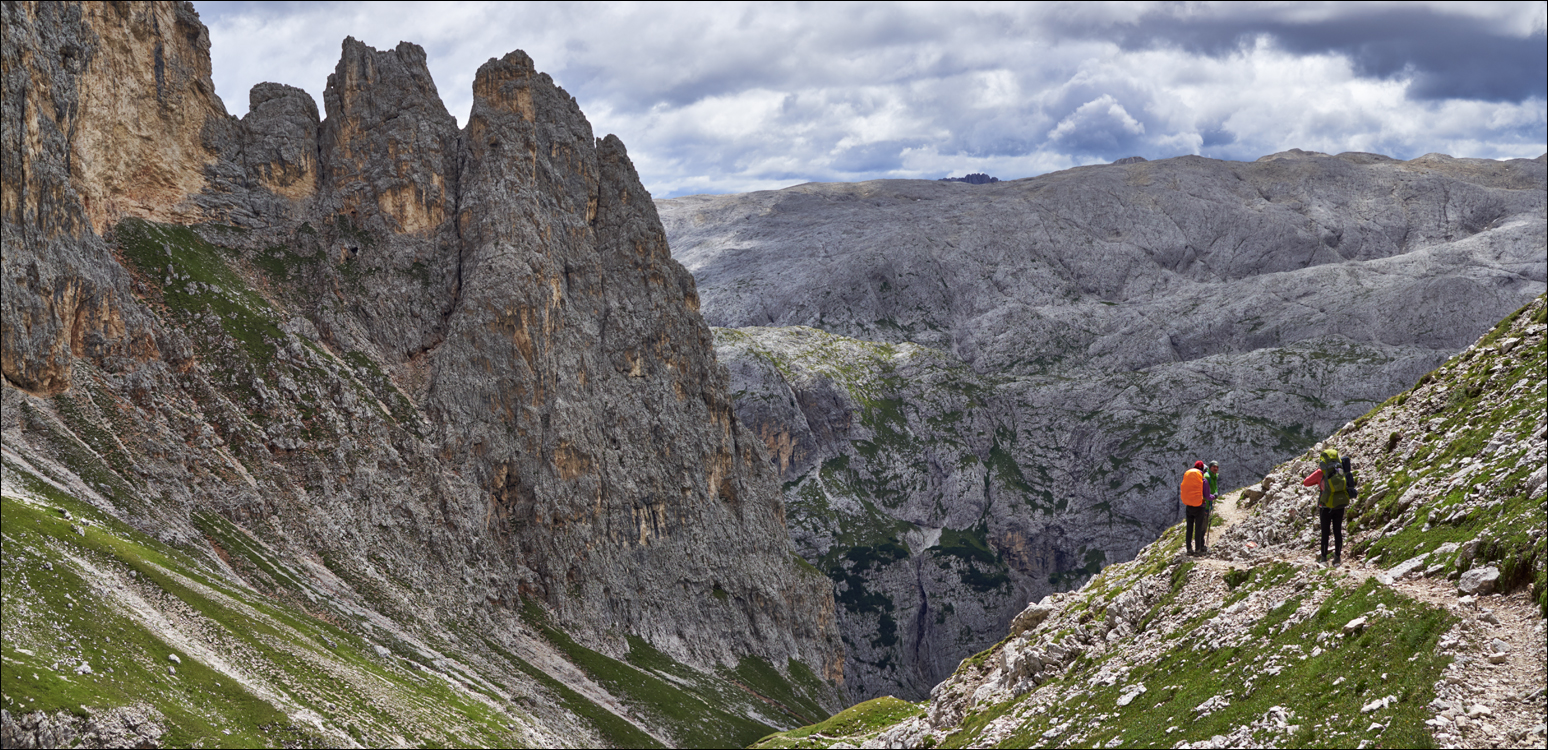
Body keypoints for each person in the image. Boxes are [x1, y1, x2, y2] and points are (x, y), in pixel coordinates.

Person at [1302, 448, 1352, 565]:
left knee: (1325, 532)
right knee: (1337, 531)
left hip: (1325, 506)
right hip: (1340, 504)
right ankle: (1337, 558)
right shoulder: (1340, 469)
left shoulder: (1320, 472)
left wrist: (1319, 474)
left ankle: (1324, 558)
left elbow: (1306, 482)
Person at [1179, 461, 1215, 556]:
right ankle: (1198, 550)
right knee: (1198, 528)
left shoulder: (1188, 478)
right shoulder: (1203, 481)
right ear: (1203, 470)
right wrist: (1214, 497)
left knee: (1189, 528)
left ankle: (1189, 549)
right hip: (1199, 507)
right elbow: (1207, 496)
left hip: (1189, 506)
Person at [1204, 460, 1221, 545]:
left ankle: (1201, 545)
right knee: (1203, 526)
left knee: (1205, 524)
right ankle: (1200, 546)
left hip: (1209, 504)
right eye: (1214, 466)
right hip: (1205, 505)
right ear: (1210, 467)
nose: (1216, 468)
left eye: (1217, 467)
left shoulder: (1214, 476)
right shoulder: (1207, 476)